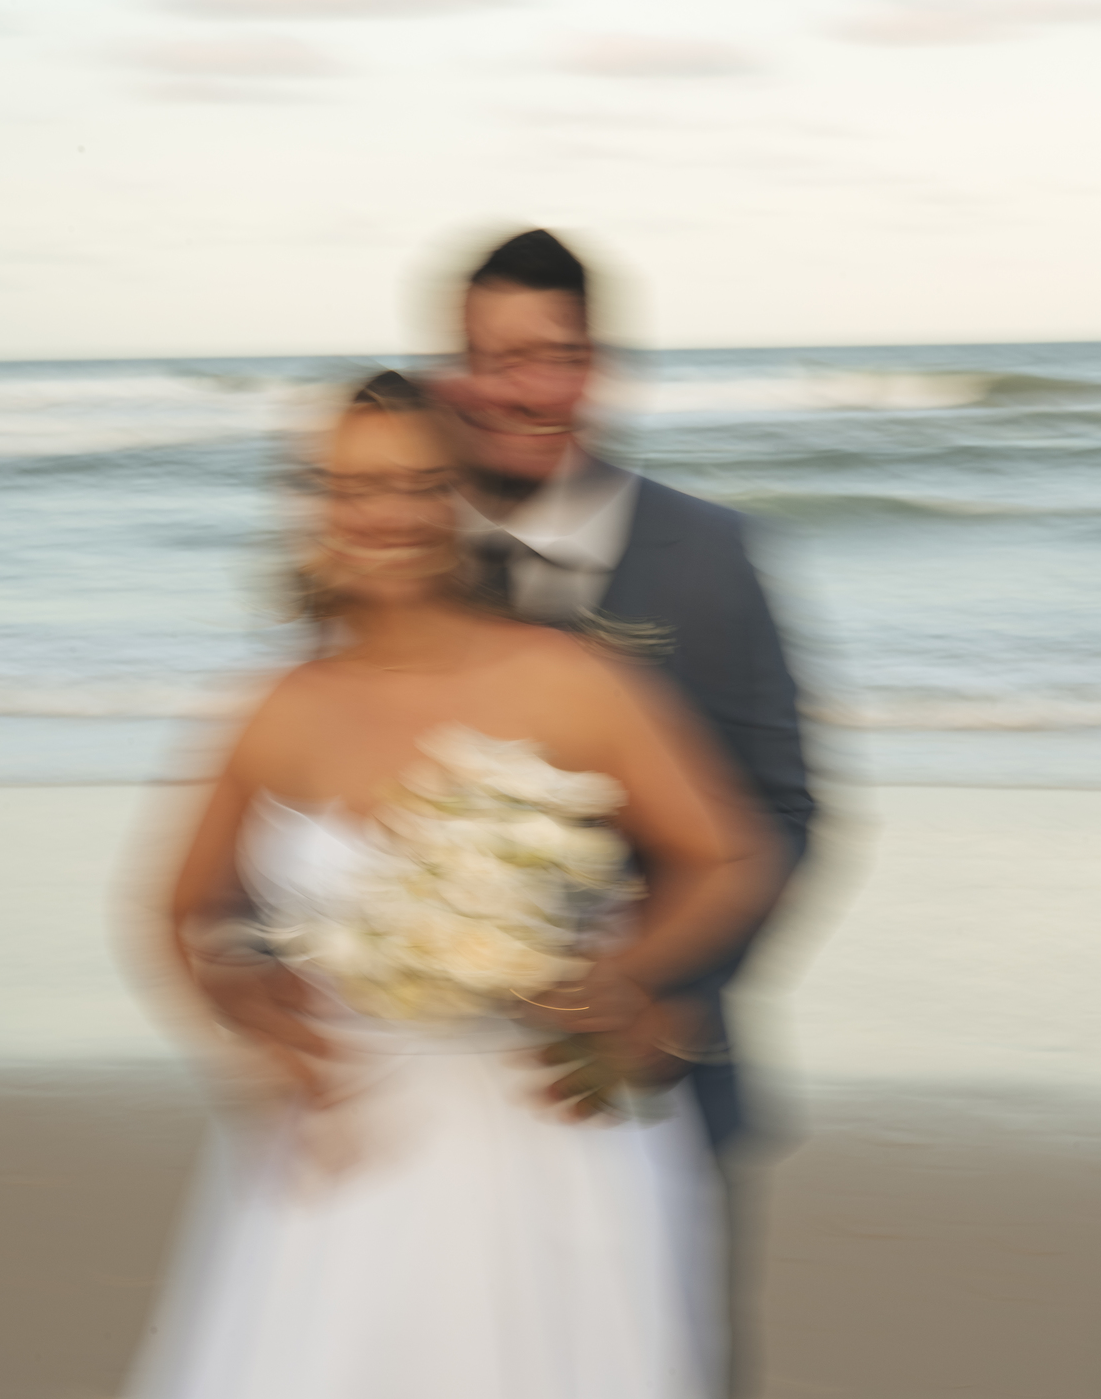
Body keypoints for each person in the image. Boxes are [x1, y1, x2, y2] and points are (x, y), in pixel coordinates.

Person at [127, 373, 782, 1399]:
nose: (385, 514)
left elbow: (732, 857)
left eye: (418, 484)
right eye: (353, 486)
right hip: (346, 1139)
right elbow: (174, 912)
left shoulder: (566, 679)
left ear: (462, 500)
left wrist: (629, 974)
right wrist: (244, 1014)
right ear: (315, 505)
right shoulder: (277, 708)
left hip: (547, 1132)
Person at [436, 230, 815, 1150]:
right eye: (497, 360)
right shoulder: (411, 556)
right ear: (457, 376)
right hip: (438, 1078)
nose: (527, 391)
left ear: (598, 367)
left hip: (656, 1074)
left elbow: (782, 814)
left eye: (556, 357)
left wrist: (674, 998)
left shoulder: (709, 559)